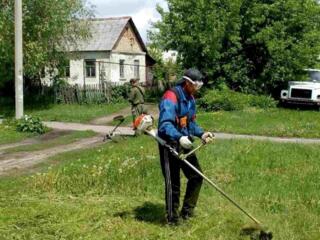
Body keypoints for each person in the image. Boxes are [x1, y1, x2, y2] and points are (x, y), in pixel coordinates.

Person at [157, 68, 214, 225]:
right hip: (169, 143)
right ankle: (172, 219)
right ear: (188, 83)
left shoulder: (191, 99)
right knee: (173, 183)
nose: (198, 89)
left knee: (196, 176)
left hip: (184, 141)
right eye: (196, 86)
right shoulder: (171, 96)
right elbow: (165, 124)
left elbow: (190, 123)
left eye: (199, 86)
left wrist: (201, 134)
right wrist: (178, 136)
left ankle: (187, 212)